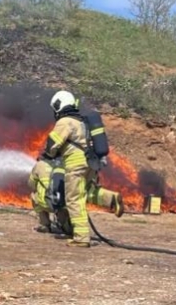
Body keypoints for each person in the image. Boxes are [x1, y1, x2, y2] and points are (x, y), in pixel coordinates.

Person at [41, 90, 124, 248]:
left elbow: (53, 143)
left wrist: (48, 154)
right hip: (90, 163)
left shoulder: (65, 122)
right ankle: (111, 199)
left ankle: (81, 237)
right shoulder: (82, 122)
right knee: (86, 192)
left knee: (73, 199)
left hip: (75, 165)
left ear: (59, 105)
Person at [28, 156, 71, 236]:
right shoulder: (65, 164)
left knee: (33, 195)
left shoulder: (40, 165)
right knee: (62, 200)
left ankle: (44, 224)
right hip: (65, 204)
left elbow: (31, 184)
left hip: (45, 202)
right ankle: (66, 225)